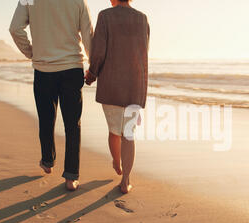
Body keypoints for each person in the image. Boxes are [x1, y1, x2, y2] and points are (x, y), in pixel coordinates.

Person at [9, 0, 94, 191]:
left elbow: (15, 29)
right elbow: (88, 35)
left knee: (46, 119)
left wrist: (31, 52)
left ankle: (47, 161)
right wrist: (93, 68)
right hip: (72, 69)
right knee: (73, 124)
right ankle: (71, 177)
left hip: (43, 68)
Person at [85, 0, 150, 194]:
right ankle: (126, 180)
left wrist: (92, 74)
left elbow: (98, 52)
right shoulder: (142, 19)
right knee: (129, 134)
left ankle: (116, 161)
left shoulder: (105, 16)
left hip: (111, 84)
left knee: (114, 131)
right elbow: (144, 52)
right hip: (134, 84)